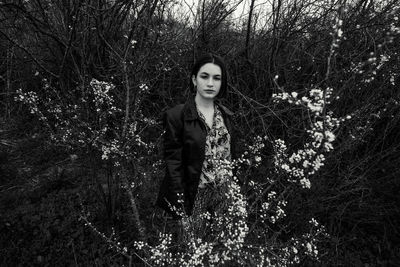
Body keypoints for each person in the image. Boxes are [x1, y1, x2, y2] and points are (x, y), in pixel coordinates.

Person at [155, 53, 236, 240]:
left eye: (217, 78)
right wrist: (180, 207)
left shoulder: (226, 116)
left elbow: (231, 157)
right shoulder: (176, 116)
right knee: (191, 246)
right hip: (194, 194)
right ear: (194, 79)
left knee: (221, 243)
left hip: (224, 190)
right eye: (204, 76)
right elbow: (174, 165)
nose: (210, 83)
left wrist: (233, 191)